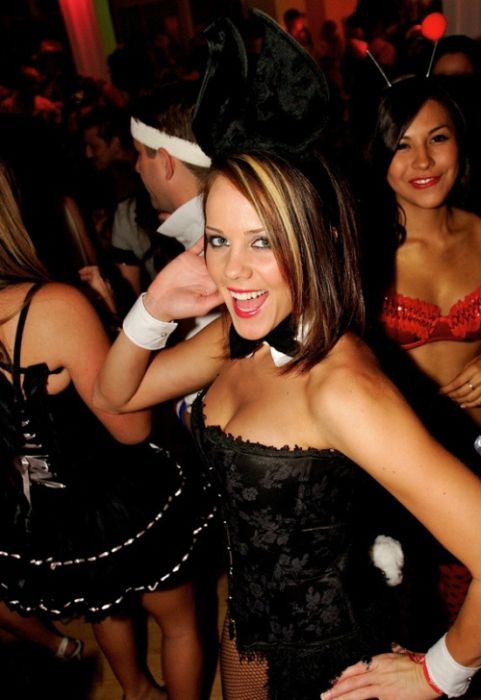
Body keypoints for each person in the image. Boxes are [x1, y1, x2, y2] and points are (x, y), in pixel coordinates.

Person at [95, 11, 481, 700]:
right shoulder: (233, 337)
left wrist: (440, 672)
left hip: (335, 663)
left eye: (263, 241)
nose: (234, 271)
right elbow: (116, 394)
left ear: (319, 238)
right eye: (219, 239)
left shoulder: (342, 387)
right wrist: (153, 308)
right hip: (247, 629)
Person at [0, 159, 215, 700]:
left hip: (40, 511)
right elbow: (131, 427)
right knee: (180, 622)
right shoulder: (50, 306)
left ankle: (136, 691)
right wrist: (119, 321)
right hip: (113, 495)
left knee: (103, 605)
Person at [361, 74, 481, 628]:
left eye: (438, 138)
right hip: (404, 469)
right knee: (420, 622)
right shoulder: (359, 254)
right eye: (401, 144)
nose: (423, 160)